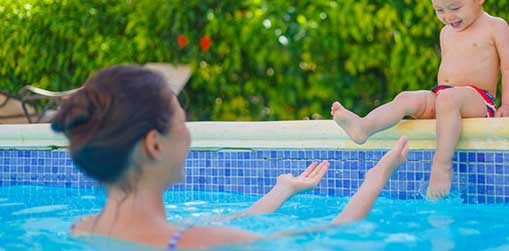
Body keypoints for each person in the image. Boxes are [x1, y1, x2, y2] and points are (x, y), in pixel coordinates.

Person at [51, 64, 411, 249]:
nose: (187, 132)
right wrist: (377, 176)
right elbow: (330, 236)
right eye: (181, 120)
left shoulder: (81, 228)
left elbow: (220, 221)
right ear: (155, 145)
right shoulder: (200, 243)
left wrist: (280, 191)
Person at [331, 0, 509, 200]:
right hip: (444, 96)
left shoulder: (495, 26)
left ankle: (441, 165)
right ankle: (364, 127)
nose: (447, 16)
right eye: (439, 9)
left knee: (448, 100)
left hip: (479, 100)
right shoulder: (446, 32)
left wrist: (507, 106)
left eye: (454, 8)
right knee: (407, 98)